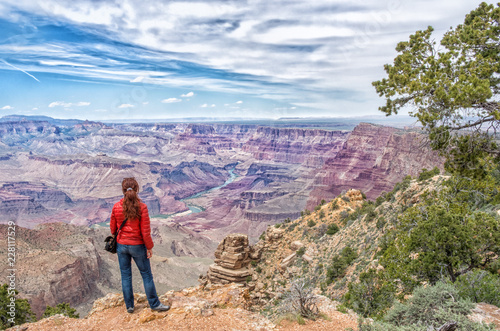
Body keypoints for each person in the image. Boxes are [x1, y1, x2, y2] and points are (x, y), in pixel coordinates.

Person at [110, 177, 170, 313]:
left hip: (121, 245)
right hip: (137, 246)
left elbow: (113, 229)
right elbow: (145, 231)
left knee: (126, 276)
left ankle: (130, 306)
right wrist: (149, 247)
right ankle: (154, 304)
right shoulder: (142, 207)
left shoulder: (116, 207)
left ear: (123, 190)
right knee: (146, 275)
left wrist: (119, 237)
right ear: (136, 189)